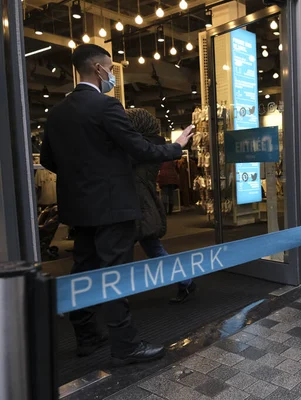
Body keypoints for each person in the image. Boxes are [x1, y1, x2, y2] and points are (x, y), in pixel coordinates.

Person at [40, 44, 195, 364]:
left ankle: (86, 336)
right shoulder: (107, 108)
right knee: (115, 275)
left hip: (78, 208)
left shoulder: (56, 113)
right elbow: (141, 150)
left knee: (83, 272)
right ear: (98, 69)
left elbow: (48, 160)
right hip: (114, 207)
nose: (111, 74)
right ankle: (125, 345)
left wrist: (83, 180)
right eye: (110, 68)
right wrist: (176, 146)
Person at [125, 108, 196, 304]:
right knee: (152, 249)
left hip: (137, 205)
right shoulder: (150, 146)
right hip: (143, 203)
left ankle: (116, 299)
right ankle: (186, 282)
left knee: (124, 251)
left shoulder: (141, 148)